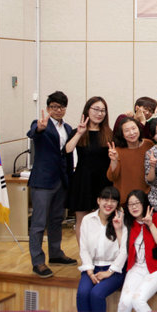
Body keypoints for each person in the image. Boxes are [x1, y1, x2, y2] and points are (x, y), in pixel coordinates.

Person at [27, 91, 76, 278]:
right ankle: (38, 261)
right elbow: (33, 132)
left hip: (61, 181)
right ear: (48, 108)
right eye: (54, 106)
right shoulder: (41, 124)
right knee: (39, 223)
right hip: (43, 181)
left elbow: (67, 154)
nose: (58, 110)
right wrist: (39, 128)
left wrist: (69, 179)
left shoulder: (68, 128)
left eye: (61, 107)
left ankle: (55, 253)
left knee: (56, 220)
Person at [66, 96, 114, 244]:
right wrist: (79, 133)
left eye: (103, 110)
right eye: (96, 109)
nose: (99, 113)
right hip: (83, 180)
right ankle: (84, 254)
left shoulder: (109, 133)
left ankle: (100, 252)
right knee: (82, 220)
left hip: (103, 181)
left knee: (102, 219)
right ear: (88, 110)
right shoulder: (78, 131)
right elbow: (68, 149)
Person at [118, 189, 157, 312]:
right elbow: (124, 248)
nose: (134, 207)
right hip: (137, 267)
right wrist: (118, 229)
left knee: (138, 300)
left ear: (144, 203)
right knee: (124, 303)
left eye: (137, 203)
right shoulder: (129, 222)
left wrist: (150, 224)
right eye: (130, 204)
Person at [76, 186, 127, 312]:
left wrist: (109, 271)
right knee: (82, 293)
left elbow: (124, 250)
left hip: (114, 269)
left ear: (117, 204)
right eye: (105, 199)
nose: (109, 204)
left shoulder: (122, 219)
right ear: (98, 200)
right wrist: (90, 272)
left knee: (96, 294)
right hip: (92, 267)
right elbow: (84, 248)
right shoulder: (88, 219)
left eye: (113, 201)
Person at [107, 117, 153, 200]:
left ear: (139, 129)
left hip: (145, 197)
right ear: (122, 134)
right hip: (125, 199)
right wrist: (114, 161)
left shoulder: (149, 145)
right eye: (127, 130)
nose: (131, 133)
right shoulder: (117, 151)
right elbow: (112, 177)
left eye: (134, 128)